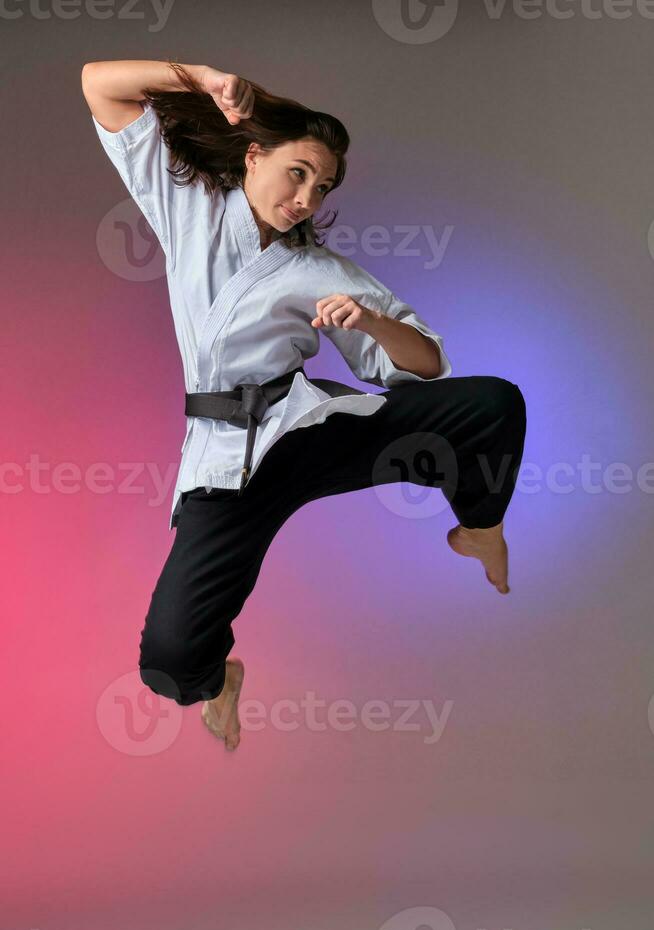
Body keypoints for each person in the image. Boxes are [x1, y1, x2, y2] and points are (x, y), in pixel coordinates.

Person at [82, 60, 527, 752]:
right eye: (299, 174)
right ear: (255, 154)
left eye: (321, 188)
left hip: (307, 431)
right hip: (227, 464)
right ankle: (220, 679)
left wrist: (371, 323)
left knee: (492, 405)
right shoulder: (191, 213)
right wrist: (197, 78)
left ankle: (479, 527)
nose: (307, 199)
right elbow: (99, 85)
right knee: (169, 666)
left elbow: (427, 364)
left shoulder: (319, 269)